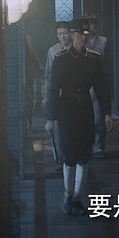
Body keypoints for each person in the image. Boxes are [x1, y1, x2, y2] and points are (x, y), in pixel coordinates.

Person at [45, 18, 114, 215]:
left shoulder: (93, 58)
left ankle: (76, 197)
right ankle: (67, 194)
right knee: (69, 152)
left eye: (87, 34)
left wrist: (107, 112)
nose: (85, 38)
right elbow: (54, 89)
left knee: (85, 152)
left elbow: (101, 87)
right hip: (66, 109)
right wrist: (50, 118)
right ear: (73, 35)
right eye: (81, 34)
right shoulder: (61, 59)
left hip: (85, 107)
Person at [82, 13, 112, 157]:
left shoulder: (103, 41)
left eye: (94, 23)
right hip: (85, 82)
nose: (92, 26)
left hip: (100, 80)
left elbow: (107, 63)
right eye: (90, 23)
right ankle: (88, 145)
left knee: (100, 116)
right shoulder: (83, 40)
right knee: (87, 118)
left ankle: (99, 146)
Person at [43, 21, 72, 172]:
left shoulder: (76, 48)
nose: (62, 36)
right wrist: (46, 96)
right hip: (58, 95)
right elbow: (48, 76)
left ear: (70, 33)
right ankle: (62, 160)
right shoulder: (52, 51)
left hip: (74, 94)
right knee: (58, 131)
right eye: (59, 34)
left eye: (65, 33)